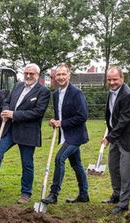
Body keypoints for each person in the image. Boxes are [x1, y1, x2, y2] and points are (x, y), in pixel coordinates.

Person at [0, 63, 50, 204]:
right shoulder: (18, 86)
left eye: (32, 74)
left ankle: (25, 193)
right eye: (26, 73)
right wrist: (5, 111)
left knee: (27, 163)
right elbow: (6, 101)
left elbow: (37, 113)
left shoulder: (43, 91)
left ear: (37, 75)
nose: (28, 76)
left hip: (27, 132)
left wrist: (14, 114)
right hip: (9, 129)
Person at [41, 64, 90, 205]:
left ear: (69, 75)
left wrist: (61, 123)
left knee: (59, 159)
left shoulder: (76, 93)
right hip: (65, 135)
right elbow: (60, 116)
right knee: (76, 164)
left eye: (64, 74)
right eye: (58, 75)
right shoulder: (55, 94)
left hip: (76, 136)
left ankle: (53, 194)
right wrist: (55, 122)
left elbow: (82, 116)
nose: (61, 77)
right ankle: (84, 194)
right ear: (55, 77)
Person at [101, 66, 130, 214]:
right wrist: (110, 133)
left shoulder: (128, 95)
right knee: (113, 167)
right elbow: (112, 115)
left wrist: (109, 138)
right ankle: (116, 194)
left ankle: (123, 204)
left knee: (125, 172)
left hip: (128, 138)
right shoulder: (112, 92)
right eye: (109, 80)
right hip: (116, 136)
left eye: (115, 79)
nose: (112, 82)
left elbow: (124, 121)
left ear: (122, 78)